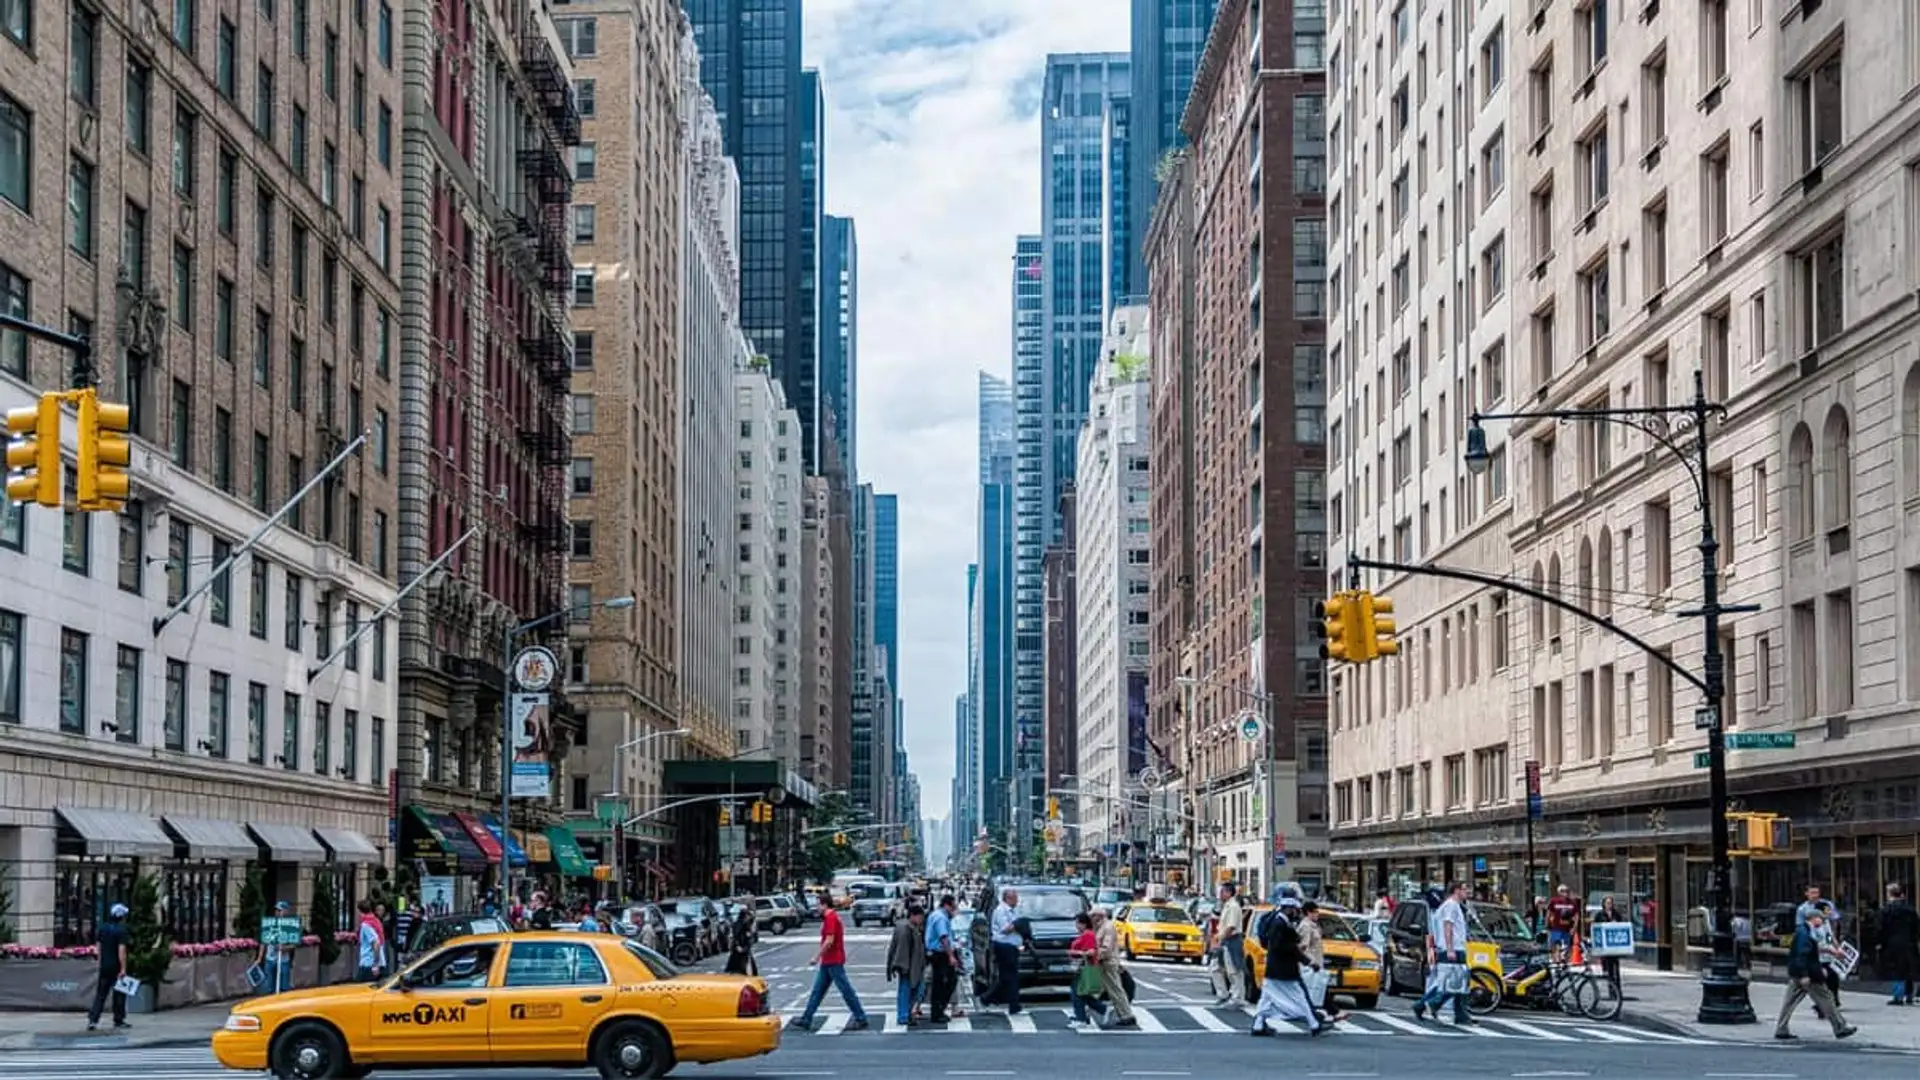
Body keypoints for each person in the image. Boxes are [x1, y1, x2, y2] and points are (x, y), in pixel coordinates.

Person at [1775, 907, 1856, 1040]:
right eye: (1821, 918)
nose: (1823, 921)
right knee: (1826, 999)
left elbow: (1813, 948)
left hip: (1798, 972)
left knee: (1789, 1001)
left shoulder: (1804, 931)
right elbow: (1803, 955)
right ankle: (1840, 1027)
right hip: (1809, 974)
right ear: (1813, 918)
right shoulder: (1805, 933)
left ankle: (1781, 1028)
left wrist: (1831, 952)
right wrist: (1805, 975)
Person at [793, 897, 869, 1031]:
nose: (817, 908)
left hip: (833, 960)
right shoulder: (832, 917)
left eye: (818, 905)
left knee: (846, 990)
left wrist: (816, 957)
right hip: (829, 960)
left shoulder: (830, 918)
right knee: (818, 991)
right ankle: (806, 1018)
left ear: (824, 905)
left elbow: (829, 940)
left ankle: (860, 1017)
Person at [1249, 896, 1322, 1036]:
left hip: (1274, 969)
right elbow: (1286, 948)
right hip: (1284, 969)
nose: (1297, 913)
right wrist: (1308, 962)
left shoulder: (1280, 923)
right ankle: (1314, 1024)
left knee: (1266, 998)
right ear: (1289, 909)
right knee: (1299, 997)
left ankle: (1258, 1025)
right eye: (1295, 910)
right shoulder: (1280, 924)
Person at [1414, 882, 1474, 1026]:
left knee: (1453, 982)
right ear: (1456, 890)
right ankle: (1433, 1005)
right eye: (1465, 889)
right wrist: (1450, 948)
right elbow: (1448, 926)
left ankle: (1424, 1005)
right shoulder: (1451, 906)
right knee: (1455, 982)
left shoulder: (1452, 906)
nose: (1468, 892)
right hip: (1453, 949)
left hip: (1455, 948)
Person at [1090, 905, 1138, 1029]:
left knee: (1115, 990)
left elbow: (1106, 948)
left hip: (1107, 963)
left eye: (1092, 916)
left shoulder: (1108, 927)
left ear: (1098, 916)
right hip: (1103, 963)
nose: (1090, 918)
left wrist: (1095, 956)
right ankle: (1084, 1013)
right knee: (1098, 990)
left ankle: (1127, 1015)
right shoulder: (1100, 927)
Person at [86, 903, 132, 1032]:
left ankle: (93, 1020)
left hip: (105, 965)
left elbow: (98, 947)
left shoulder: (103, 928)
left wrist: (100, 962)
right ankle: (119, 1019)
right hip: (115, 966)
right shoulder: (121, 931)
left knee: (100, 994)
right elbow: (121, 951)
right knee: (119, 994)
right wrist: (123, 968)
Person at [1299, 901, 1345, 1024]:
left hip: (1316, 963)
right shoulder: (1306, 926)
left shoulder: (1313, 925)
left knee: (1318, 988)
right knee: (1317, 989)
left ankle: (1328, 1012)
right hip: (1311, 964)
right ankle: (1333, 1012)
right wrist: (1308, 962)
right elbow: (1303, 945)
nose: (1317, 914)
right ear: (1308, 912)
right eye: (1315, 912)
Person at [984, 887, 1024, 1015]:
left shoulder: (1013, 911)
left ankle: (989, 997)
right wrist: (1017, 924)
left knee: (1007, 977)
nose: (1017, 900)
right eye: (1015, 898)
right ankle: (1013, 1004)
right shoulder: (1001, 911)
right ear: (1008, 898)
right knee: (1011, 977)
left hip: (1012, 946)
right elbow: (1005, 929)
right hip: (1004, 946)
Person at [887, 906, 928, 1027]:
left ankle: (907, 1014)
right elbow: (902, 949)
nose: (921, 920)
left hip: (911, 965)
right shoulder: (907, 928)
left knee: (911, 990)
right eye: (920, 917)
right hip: (908, 966)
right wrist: (902, 965)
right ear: (914, 916)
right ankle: (904, 1015)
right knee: (907, 991)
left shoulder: (906, 927)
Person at [924, 894, 961, 1024]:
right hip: (940, 954)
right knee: (945, 982)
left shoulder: (936, 915)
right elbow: (943, 937)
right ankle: (938, 1011)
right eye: (953, 907)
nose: (954, 910)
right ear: (947, 905)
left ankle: (938, 1010)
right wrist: (951, 956)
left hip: (935, 953)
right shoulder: (941, 918)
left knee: (941, 983)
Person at [1065, 912, 1107, 1029]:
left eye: (1077, 923)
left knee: (1077, 993)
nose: (1076, 926)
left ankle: (1082, 1018)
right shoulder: (1086, 934)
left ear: (1083, 924)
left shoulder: (1088, 935)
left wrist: (1075, 952)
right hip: (1080, 966)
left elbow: (1091, 951)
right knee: (1081, 993)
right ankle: (1097, 1010)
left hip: (1083, 967)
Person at [1878, 883, 1918, 1006]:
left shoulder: (1886, 910)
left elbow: (1881, 928)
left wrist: (1880, 942)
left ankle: (1898, 996)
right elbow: (1916, 926)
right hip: (1909, 942)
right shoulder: (1910, 910)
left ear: (1889, 894)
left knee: (1896, 969)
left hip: (1892, 943)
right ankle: (1910, 994)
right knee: (1908, 968)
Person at [1211, 881, 1247, 1006]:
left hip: (1232, 940)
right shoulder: (1226, 905)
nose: (1219, 894)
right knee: (1216, 968)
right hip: (1224, 939)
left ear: (1228, 892)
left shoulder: (1233, 906)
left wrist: (1220, 938)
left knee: (1234, 970)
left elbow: (1231, 927)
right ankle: (1223, 994)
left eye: (1221, 892)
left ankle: (1238, 997)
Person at [257, 900, 297, 994]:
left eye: (280, 910)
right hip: (269, 959)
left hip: (283, 960)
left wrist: (284, 948)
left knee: (284, 986)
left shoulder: (291, 926)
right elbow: (263, 941)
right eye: (276, 910)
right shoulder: (269, 924)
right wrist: (260, 958)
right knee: (268, 985)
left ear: (286, 911)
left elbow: (294, 944)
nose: (278, 913)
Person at [1592, 895, 1628, 985]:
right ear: (1604, 904)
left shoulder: (1616, 914)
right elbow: (1595, 928)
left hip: (1614, 945)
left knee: (1616, 967)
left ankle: (1618, 988)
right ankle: (1611, 988)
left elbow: (1621, 926)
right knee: (1608, 968)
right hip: (1605, 946)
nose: (1609, 905)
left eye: (1611, 903)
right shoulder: (1599, 915)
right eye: (1608, 903)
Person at [354, 899, 388, 982]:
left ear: (360, 911)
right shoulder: (376, 921)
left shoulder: (366, 925)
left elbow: (376, 942)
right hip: (380, 963)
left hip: (369, 965)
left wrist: (375, 965)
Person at [1545, 884, 1581, 959]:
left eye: (1567, 891)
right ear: (1559, 892)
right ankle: (1557, 961)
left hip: (1567, 928)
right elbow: (1548, 913)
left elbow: (1576, 916)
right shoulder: (1554, 901)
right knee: (1556, 944)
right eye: (1563, 891)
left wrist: (1574, 928)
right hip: (1556, 928)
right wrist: (1547, 924)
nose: (1565, 893)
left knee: (1566, 946)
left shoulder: (1572, 903)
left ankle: (1564, 961)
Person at [725, 899, 759, 975]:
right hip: (740, 947)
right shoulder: (739, 925)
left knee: (746, 963)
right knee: (741, 964)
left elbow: (750, 934)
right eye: (747, 916)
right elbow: (735, 936)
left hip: (744, 947)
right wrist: (738, 946)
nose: (748, 917)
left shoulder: (745, 924)